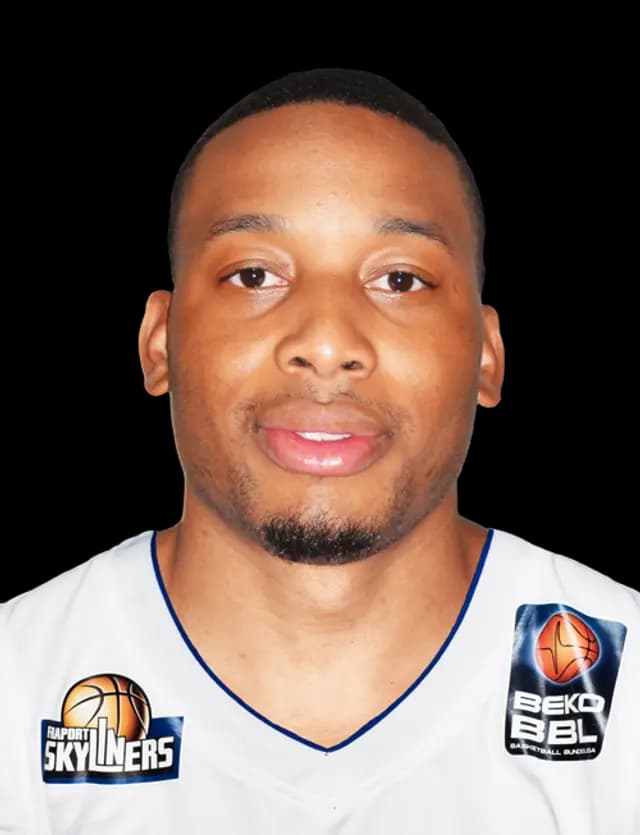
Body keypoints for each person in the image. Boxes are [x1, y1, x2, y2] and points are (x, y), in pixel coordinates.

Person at [1, 66, 638, 834]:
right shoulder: (18, 682)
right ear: (159, 342)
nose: (328, 342)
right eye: (254, 275)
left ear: (487, 355)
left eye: (399, 279)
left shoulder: (625, 682)